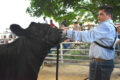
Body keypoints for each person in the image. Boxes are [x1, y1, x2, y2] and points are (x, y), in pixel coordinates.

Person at [63, 5, 117, 80]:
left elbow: (88, 35)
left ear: (109, 15)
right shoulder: (111, 26)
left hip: (100, 64)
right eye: (98, 14)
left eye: (101, 14)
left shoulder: (106, 26)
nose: (98, 16)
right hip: (103, 63)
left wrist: (67, 32)